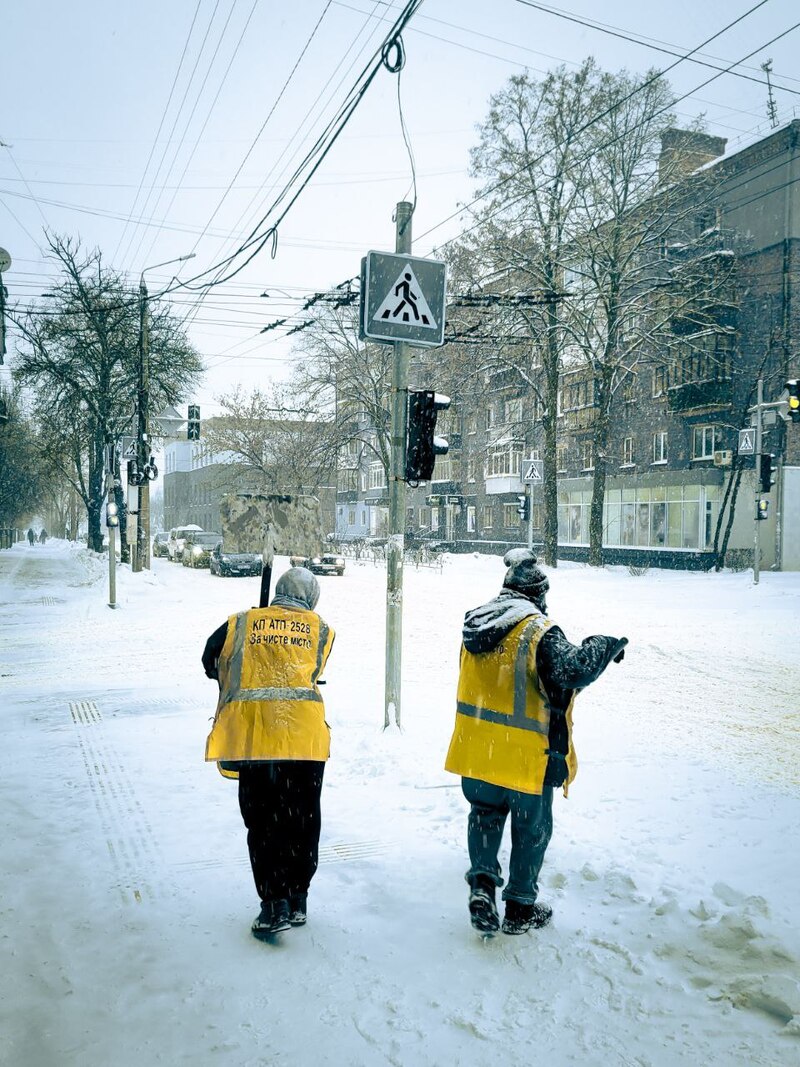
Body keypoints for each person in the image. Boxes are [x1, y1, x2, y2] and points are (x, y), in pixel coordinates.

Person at [444, 549, 628, 937]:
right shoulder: (538, 631)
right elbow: (573, 670)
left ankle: (481, 886)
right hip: (524, 756)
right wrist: (605, 643)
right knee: (531, 831)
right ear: (538, 594)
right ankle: (519, 909)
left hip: (477, 751)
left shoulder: (475, 624)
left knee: (484, 817)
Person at [202, 567, 335, 940]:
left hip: (257, 739)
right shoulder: (320, 628)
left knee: (263, 823)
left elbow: (209, 659)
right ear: (311, 598)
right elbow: (314, 668)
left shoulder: (240, 623)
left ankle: (272, 904)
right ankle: (297, 898)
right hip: (305, 742)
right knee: (303, 821)